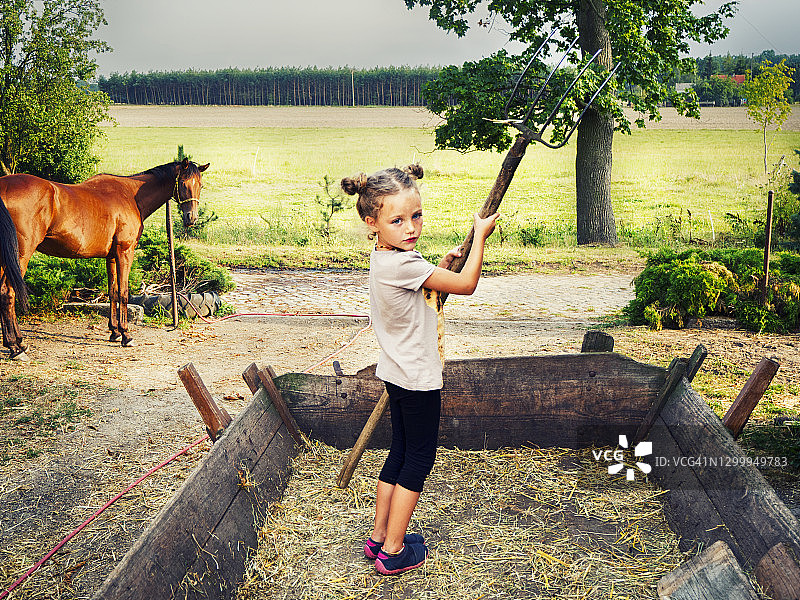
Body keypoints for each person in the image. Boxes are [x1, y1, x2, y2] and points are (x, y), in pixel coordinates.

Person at [341, 164, 499, 576]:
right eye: (397, 220)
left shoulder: (388, 258)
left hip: (395, 373)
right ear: (371, 221)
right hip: (417, 378)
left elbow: (425, 288)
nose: (410, 227)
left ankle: (378, 538)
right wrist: (479, 237)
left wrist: (441, 266)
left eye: (416, 215)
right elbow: (466, 284)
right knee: (419, 459)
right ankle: (395, 551)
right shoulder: (406, 266)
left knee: (399, 452)